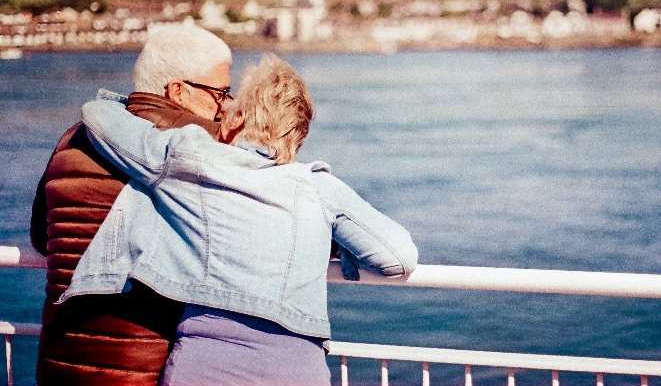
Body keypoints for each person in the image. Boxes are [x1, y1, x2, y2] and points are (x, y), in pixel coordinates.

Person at [63, 54, 418, 386]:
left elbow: (97, 116)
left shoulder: (194, 158)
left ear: (238, 120)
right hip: (298, 370)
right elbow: (399, 257)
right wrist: (333, 243)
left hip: (206, 364)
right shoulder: (318, 187)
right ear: (298, 134)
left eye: (229, 105)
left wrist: (120, 101)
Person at [29, 23, 233, 385]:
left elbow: (41, 238)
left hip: (58, 360)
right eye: (221, 93)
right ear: (179, 92)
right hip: (144, 366)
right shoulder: (198, 151)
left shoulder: (73, 137)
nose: (223, 109)